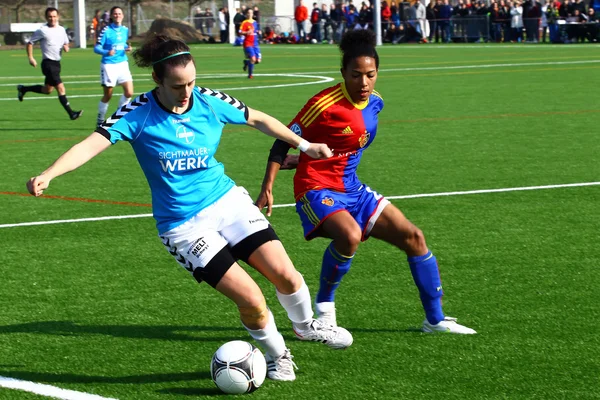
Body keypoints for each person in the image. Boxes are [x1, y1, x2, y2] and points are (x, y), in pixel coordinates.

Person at [26, 34, 353, 382]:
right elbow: (91, 145)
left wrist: (304, 144)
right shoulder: (137, 113)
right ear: (157, 80)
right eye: (178, 85)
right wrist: (49, 173)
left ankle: (305, 327)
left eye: (192, 82)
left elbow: (257, 119)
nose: (187, 93)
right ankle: (278, 356)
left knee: (286, 274)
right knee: (253, 300)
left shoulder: (209, 101)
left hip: (227, 201)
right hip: (183, 226)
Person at [255, 29, 477, 335]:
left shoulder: (376, 103)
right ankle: (324, 311)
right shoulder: (324, 103)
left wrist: (311, 157)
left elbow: (347, 144)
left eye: (370, 75)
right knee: (349, 236)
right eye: (356, 75)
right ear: (343, 72)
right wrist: (268, 186)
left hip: (352, 188)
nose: (363, 83)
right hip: (316, 187)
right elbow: (283, 140)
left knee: (414, 237)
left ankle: (434, 320)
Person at [17, 7, 82, 120]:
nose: (52, 19)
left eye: (54, 16)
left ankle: (23, 89)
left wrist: (66, 47)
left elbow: (66, 43)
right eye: (50, 17)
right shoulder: (42, 30)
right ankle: (71, 113)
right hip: (48, 64)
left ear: (58, 17)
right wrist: (31, 58)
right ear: (46, 17)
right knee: (61, 88)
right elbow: (30, 43)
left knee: (48, 90)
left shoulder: (61, 30)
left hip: (57, 64)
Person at [94, 6, 134, 127]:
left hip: (122, 64)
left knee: (129, 92)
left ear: (122, 16)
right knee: (108, 95)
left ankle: (119, 115)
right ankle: (100, 119)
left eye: (119, 13)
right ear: (111, 16)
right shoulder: (106, 30)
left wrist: (127, 48)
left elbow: (122, 44)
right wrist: (106, 52)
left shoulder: (125, 30)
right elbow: (96, 48)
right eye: (115, 14)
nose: (117, 15)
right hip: (109, 65)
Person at [240, 9, 257, 79]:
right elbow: (240, 31)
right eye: (248, 13)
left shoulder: (255, 22)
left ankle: (247, 62)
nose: (250, 14)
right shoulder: (244, 22)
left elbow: (255, 32)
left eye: (251, 13)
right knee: (253, 59)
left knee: (257, 60)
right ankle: (250, 75)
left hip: (255, 43)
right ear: (246, 14)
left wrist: (259, 32)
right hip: (247, 43)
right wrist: (246, 32)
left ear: (253, 14)